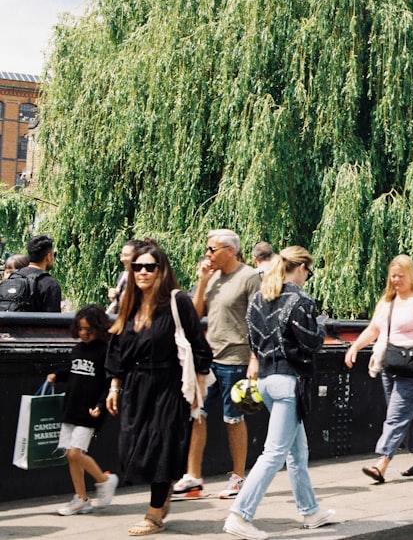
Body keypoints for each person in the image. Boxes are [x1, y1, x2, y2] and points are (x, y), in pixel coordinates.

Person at [223, 246, 335, 539]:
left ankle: (310, 511)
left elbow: (254, 343)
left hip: (266, 381)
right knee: (273, 453)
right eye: (308, 271)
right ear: (299, 267)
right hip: (289, 382)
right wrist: (321, 328)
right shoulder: (300, 299)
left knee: (297, 451)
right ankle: (240, 515)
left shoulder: (259, 299)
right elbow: (310, 342)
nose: (307, 277)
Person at [105, 240, 213, 536]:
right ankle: (161, 497)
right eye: (136, 267)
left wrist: (196, 394)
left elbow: (199, 347)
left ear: (161, 270)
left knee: (161, 446)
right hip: (137, 387)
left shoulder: (176, 303)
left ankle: (154, 514)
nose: (142, 272)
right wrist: (115, 387)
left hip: (169, 385)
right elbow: (118, 351)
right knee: (132, 448)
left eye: (149, 267)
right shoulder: (130, 304)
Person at [175, 229, 262, 501]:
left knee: (233, 418)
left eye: (212, 249)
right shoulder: (212, 278)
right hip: (208, 357)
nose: (208, 254)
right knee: (197, 413)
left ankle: (238, 476)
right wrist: (202, 282)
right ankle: (193, 477)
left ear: (230, 250)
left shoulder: (249, 277)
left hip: (236, 357)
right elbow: (195, 314)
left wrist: (255, 359)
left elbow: (258, 320)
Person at [344, 255, 413, 483]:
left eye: (400, 276)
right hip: (390, 365)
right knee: (408, 415)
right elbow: (373, 329)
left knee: (396, 416)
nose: (396, 280)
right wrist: (355, 346)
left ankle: (381, 464)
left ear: (411, 275)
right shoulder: (387, 301)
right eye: (393, 276)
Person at [47, 304, 119, 516]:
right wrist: (57, 376)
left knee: (75, 452)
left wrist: (99, 405)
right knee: (71, 456)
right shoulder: (77, 350)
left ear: (99, 328)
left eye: (89, 329)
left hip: (89, 411)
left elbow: (107, 382)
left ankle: (105, 480)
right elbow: (73, 372)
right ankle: (81, 498)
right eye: (81, 329)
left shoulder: (104, 352)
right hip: (72, 407)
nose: (84, 333)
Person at [20, 234, 62, 312]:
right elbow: (53, 321)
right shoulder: (50, 284)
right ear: (49, 256)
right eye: (54, 255)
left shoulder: (13, 277)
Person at [108, 240, 139, 314]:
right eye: (121, 255)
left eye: (126, 255)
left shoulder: (144, 279)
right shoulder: (122, 277)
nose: (122, 259)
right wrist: (113, 297)